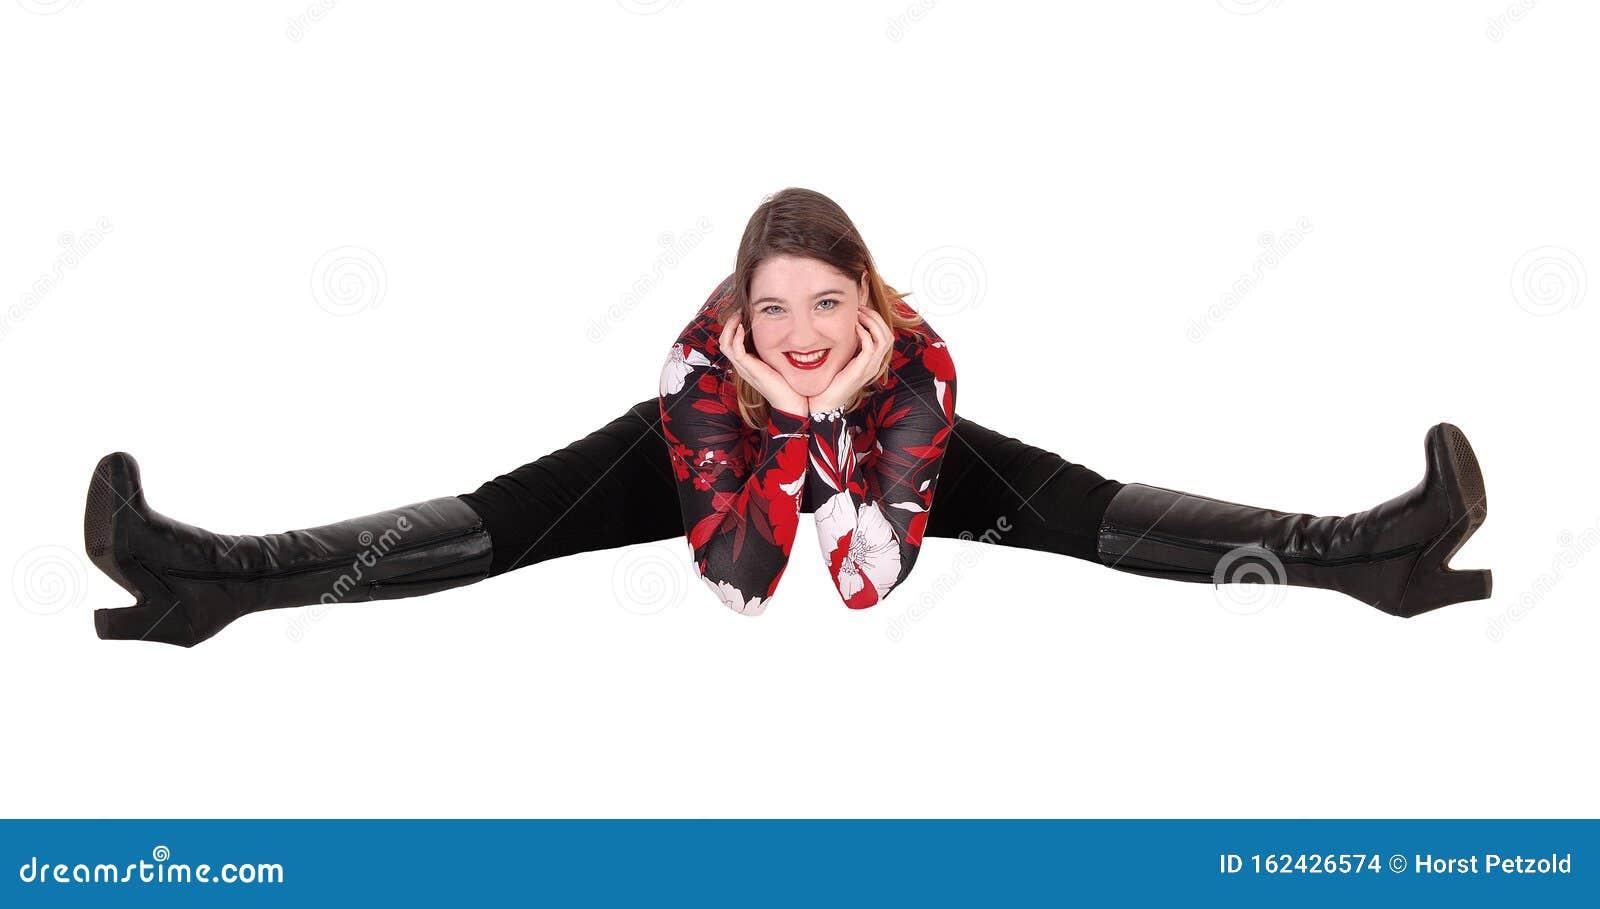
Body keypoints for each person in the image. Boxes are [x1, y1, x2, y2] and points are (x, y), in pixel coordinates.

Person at [83, 188, 1492, 647]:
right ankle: (215, 579)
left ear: (867, 305)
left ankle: (1371, 557)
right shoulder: (700, 386)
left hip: (880, 454)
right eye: (779, 312)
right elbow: (744, 580)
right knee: (502, 521)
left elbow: (867, 578)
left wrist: (861, 437)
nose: (807, 335)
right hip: (729, 462)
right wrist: (761, 416)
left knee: (1089, 512)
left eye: (831, 307)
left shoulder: (917, 377)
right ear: (739, 318)